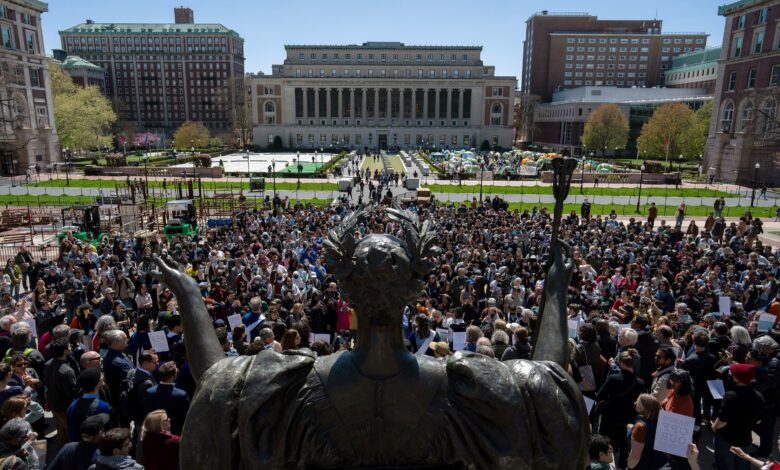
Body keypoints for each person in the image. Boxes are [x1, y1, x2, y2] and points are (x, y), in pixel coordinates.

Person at [595, 349, 644, 469]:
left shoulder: (613, 378)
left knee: (604, 442)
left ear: (621, 363)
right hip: (629, 418)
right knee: (624, 445)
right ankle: (622, 466)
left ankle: (603, 465)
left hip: (610, 416)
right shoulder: (640, 383)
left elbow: (599, 396)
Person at [712, 363, 765, 470]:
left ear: (737, 378)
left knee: (725, 466)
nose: (730, 375)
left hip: (726, 439)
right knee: (742, 465)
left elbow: (722, 420)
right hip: (745, 439)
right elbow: (759, 420)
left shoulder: (731, 395)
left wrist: (714, 426)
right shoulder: (759, 396)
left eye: (732, 374)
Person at [43, 337, 78, 447]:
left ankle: (62, 448)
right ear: (65, 351)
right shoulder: (67, 371)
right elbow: (72, 392)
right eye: (69, 346)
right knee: (71, 432)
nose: (71, 346)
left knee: (61, 429)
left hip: (54, 404)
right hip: (65, 407)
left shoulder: (48, 364)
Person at [143, 361, 190, 436]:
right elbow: (186, 416)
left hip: (155, 432)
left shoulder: (149, 392)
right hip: (176, 433)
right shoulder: (181, 394)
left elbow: (147, 412)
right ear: (173, 376)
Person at [67, 368, 112, 443]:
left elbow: (71, 431)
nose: (103, 376)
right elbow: (107, 433)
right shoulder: (102, 406)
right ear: (97, 383)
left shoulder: (72, 406)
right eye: (101, 376)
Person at [626, 393, 666, 470]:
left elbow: (635, 456)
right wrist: (632, 429)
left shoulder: (640, 427)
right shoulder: (659, 424)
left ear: (646, 407)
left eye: (638, 402)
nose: (635, 403)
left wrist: (629, 467)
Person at [102, 330, 133, 422]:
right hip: (123, 401)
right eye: (125, 339)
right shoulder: (116, 362)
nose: (127, 340)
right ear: (117, 343)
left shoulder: (118, 353)